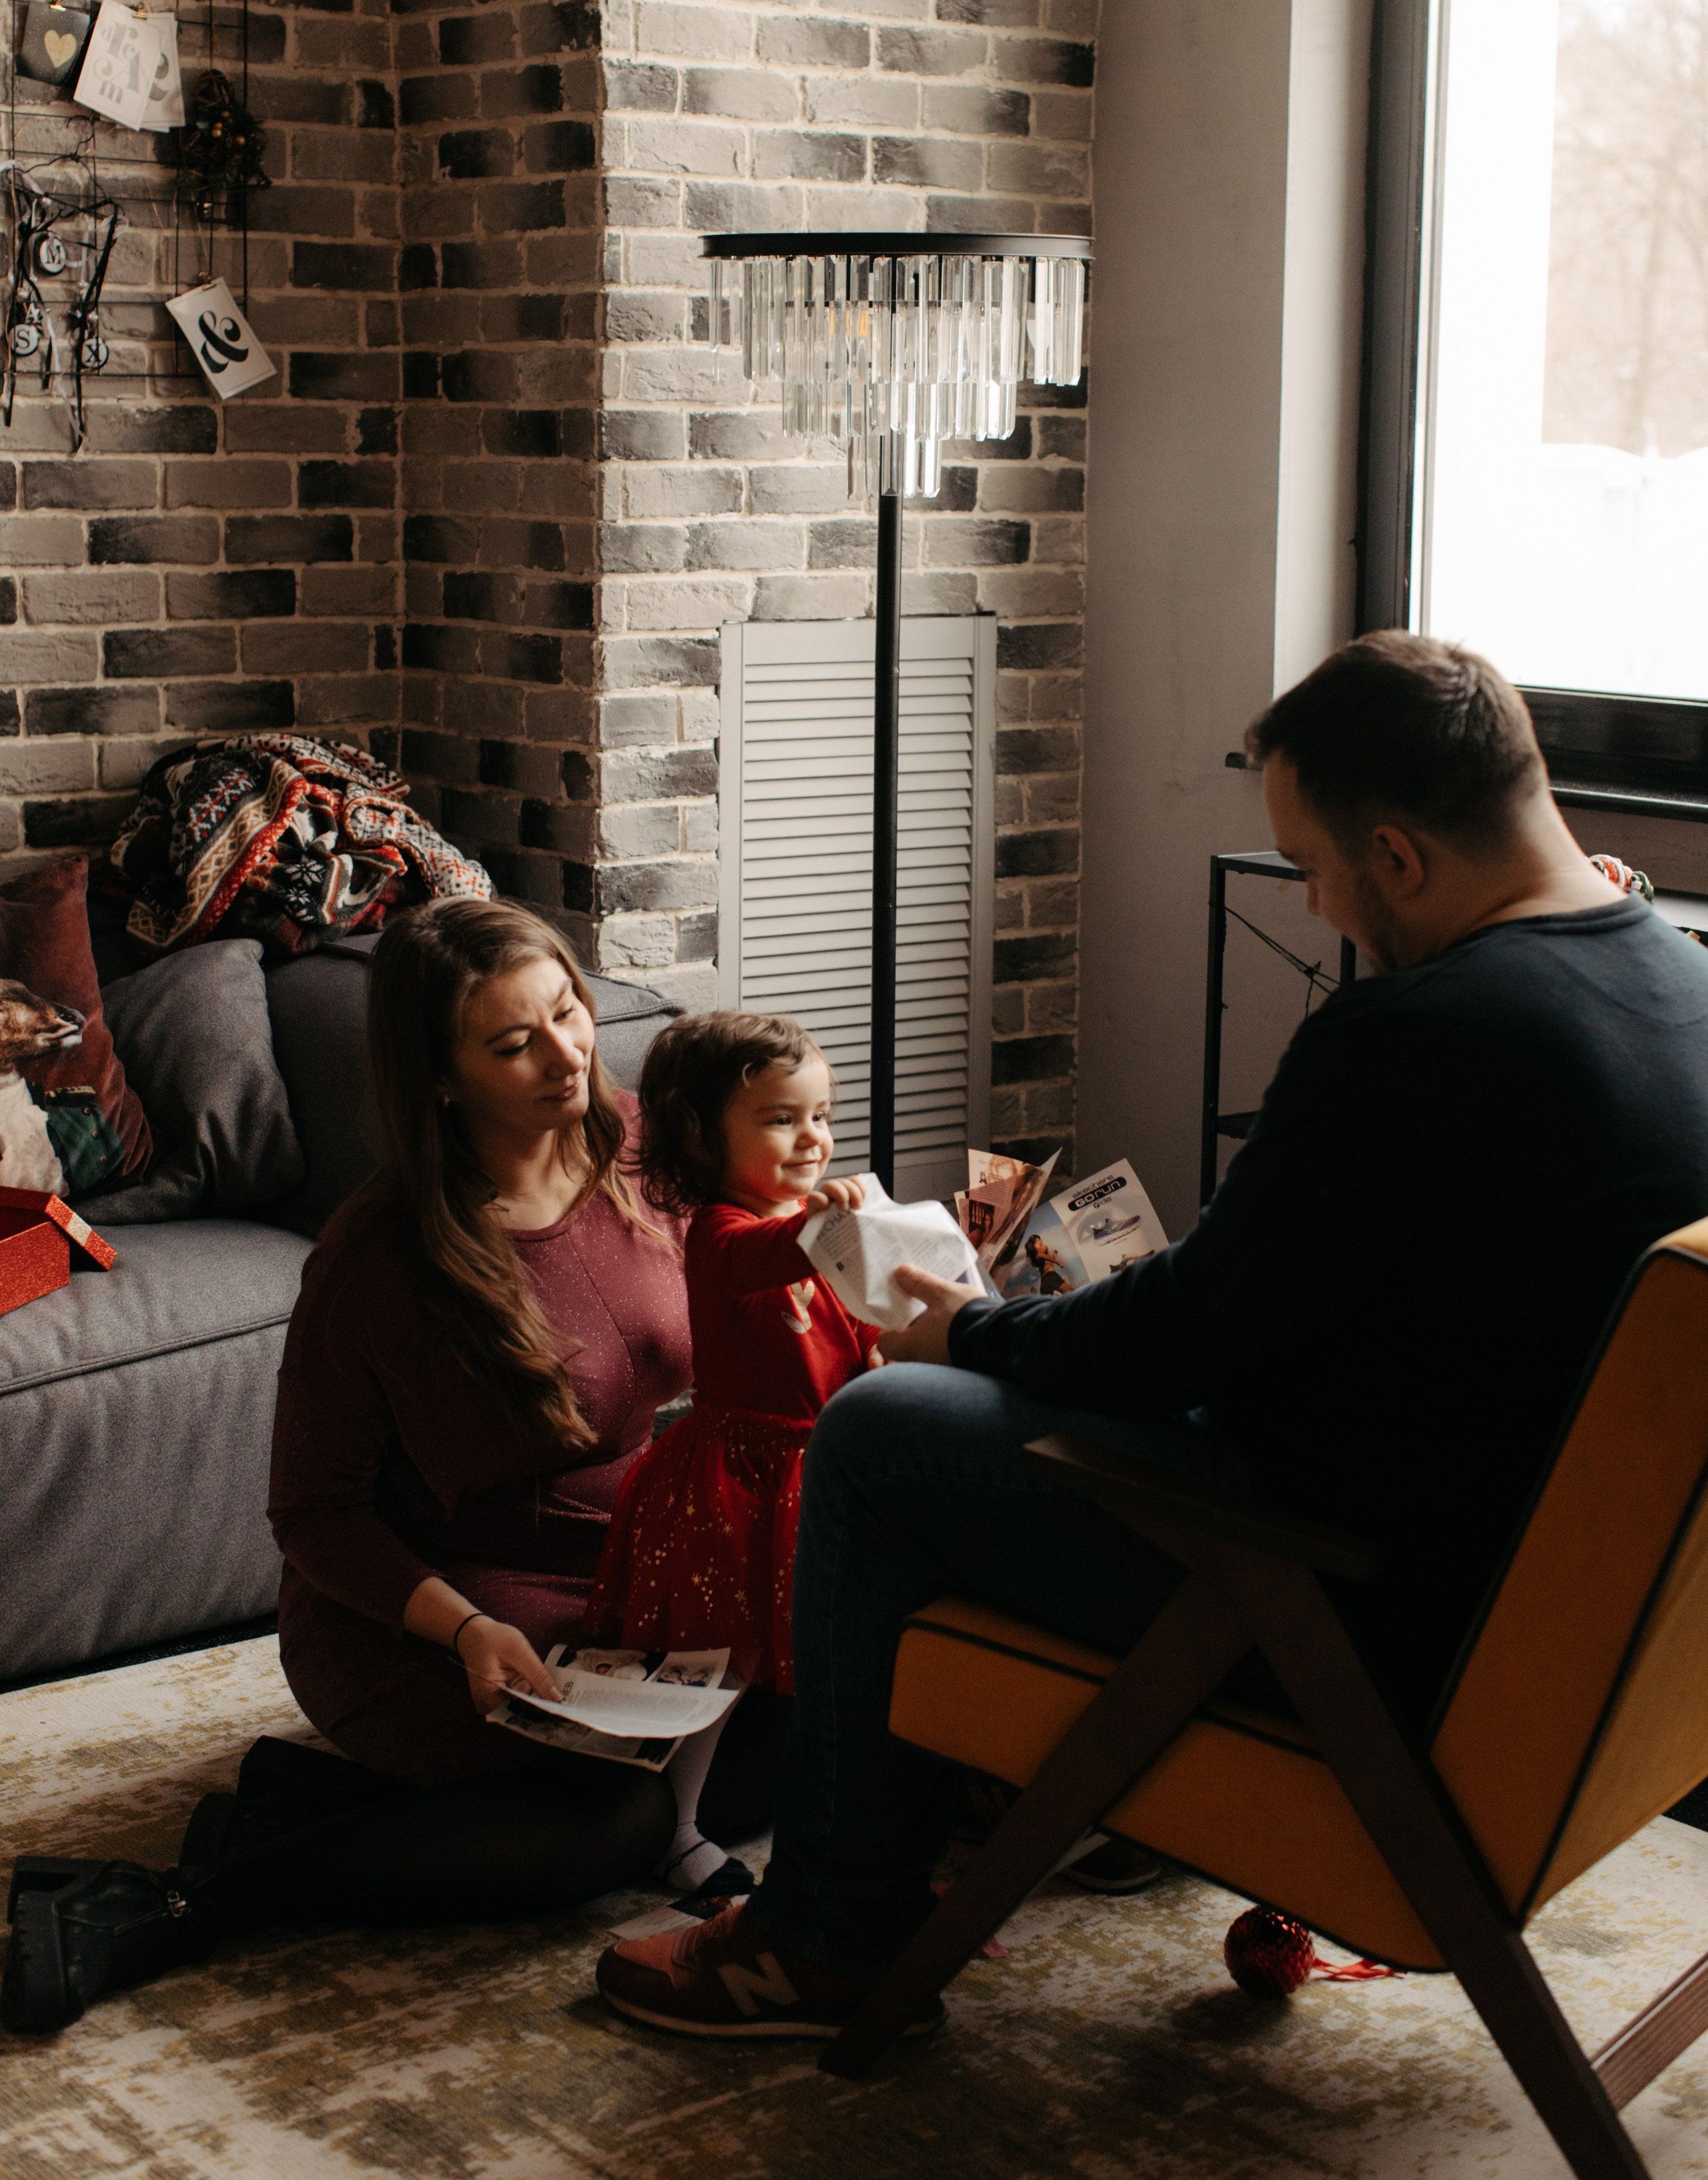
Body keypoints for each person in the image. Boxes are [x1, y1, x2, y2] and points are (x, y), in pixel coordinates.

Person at [592, 631, 1708, 2037]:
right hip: (1566, 1635)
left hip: (1339, 1611)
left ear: (1400, 856)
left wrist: (975, 1333)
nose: (1314, 905)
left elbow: (1177, 1343)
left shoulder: (1416, 1035)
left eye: (1310, 869)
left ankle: (826, 1937)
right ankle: (976, 1817)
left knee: (880, 1432)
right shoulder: (1676, 982)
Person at [2, 899, 763, 2035]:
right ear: (442, 1078)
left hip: (630, 1576)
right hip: (435, 1611)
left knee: (800, 1734)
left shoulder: (642, 1148)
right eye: (515, 1043)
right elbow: (314, 1514)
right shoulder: (382, 1255)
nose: (568, 1057)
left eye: (567, 1013)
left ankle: (307, 1808)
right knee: (612, 1828)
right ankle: (192, 1899)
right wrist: (463, 1632)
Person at [582, 1012, 881, 1900]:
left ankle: (834, 1816)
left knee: (835, 1656)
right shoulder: (719, 1231)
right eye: (782, 1119)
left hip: (818, 1473)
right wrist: (839, 1227)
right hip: (740, 1478)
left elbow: (863, 1340)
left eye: (822, 1116)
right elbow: (770, 1255)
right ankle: (675, 1830)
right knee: (718, 1662)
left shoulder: (817, 1229)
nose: (814, 1138)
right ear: (705, 1138)